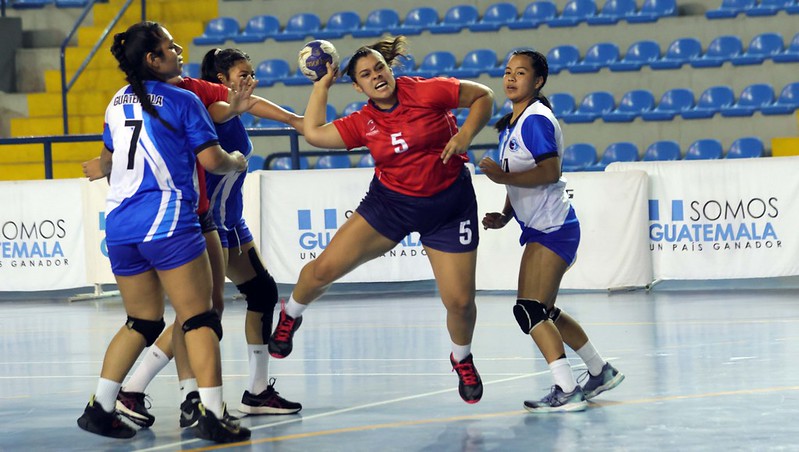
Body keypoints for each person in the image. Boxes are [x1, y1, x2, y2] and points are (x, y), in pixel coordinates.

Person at [267, 36, 495, 404]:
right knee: (323, 270)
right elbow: (313, 133)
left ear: (389, 70)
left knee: (460, 303)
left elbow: (483, 96)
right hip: (390, 205)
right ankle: (291, 314)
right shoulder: (363, 122)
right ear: (357, 86)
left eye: (380, 69)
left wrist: (466, 134)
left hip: (449, 205)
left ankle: (462, 358)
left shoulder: (426, 91)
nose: (377, 77)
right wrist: (321, 86)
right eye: (366, 75)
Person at [82, 48, 303, 424]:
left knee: (228, 302)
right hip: (198, 219)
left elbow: (245, 105)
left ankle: (236, 392)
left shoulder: (195, 97)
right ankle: (165, 397)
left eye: (252, 73)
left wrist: (294, 119)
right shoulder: (190, 103)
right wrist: (105, 163)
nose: (250, 80)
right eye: (243, 74)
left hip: (219, 220)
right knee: (198, 314)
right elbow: (215, 140)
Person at [76, 21, 250, 443]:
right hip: (169, 221)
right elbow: (211, 161)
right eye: (171, 48)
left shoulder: (116, 102)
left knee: (141, 320)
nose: (179, 52)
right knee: (200, 317)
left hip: (120, 226)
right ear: (153, 59)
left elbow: (109, 158)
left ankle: (101, 407)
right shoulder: (182, 99)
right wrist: (236, 161)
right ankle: (212, 414)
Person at [479, 49, 624, 413]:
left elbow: (549, 172)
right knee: (545, 311)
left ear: (538, 81)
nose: (511, 78)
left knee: (529, 311)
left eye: (521, 73)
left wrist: (501, 177)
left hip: (553, 228)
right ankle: (599, 370)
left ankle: (567, 389)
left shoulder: (536, 119)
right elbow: (525, 178)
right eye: (508, 71)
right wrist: (507, 215)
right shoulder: (514, 122)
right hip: (544, 227)